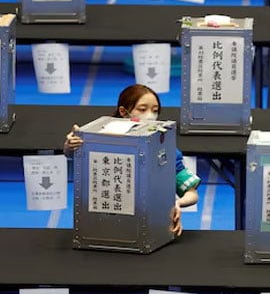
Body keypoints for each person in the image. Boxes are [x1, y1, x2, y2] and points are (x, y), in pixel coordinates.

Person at [63, 84, 200, 236]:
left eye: (155, 111)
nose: (150, 115)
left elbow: (192, 193)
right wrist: (70, 145)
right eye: (142, 109)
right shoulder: (101, 138)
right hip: (104, 225)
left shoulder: (165, 149)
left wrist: (176, 203)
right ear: (123, 111)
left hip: (151, 229)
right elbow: (73, 155)